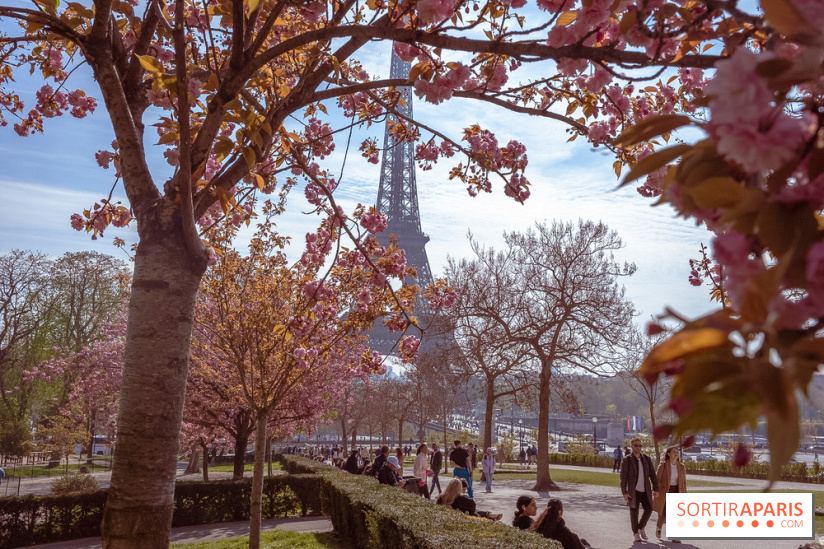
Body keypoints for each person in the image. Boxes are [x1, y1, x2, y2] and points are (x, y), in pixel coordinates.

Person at [620, 437, 659, 543]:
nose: (638, 447)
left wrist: (656, 488)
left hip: (645, 490)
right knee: (634, 513)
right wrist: (624, 492)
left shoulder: (646, 459)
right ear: (632, 446)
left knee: (649, 509)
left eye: (640, 445)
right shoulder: (627, 460)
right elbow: (623, 477)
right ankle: (636, 533)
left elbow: (652, 474)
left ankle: (641, 527)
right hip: (633, 491)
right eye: (636, 445)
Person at [653, 446, 686, 543]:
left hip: (677, 490)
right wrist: (655, 490)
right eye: (674, 452)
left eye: (677, 452)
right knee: (663, 513)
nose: (676, 453)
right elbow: (657, 479)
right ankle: (659, 527)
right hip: (665, 491)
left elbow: (683, 482)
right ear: (669, 454)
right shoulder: (663, 465)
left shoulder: (681, 466)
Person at [436, 478, 502, 520]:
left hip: (449, 516)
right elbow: (473, 506)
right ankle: (489, 516)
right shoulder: (461, 498)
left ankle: (489, 515)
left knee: (474, 512)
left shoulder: (441, 497)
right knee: (475, 513)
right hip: (463, 517)